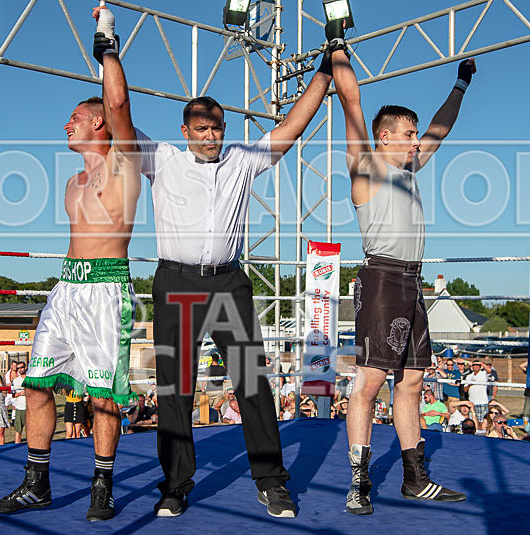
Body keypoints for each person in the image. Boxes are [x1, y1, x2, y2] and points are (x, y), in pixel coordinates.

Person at [134, 10, 336, 521]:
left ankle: (272, 482)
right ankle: (174, 486)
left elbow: (291, 127)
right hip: (175, 280)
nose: (210, 136)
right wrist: (108, 47)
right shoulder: (160, 157)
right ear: (185, 130)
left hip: (228, 281)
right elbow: (117, 113)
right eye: (201, 128)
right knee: (175, 389)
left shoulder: (242, 159)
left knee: (251, 383)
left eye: (216, 128)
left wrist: (326, 69)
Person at [0, 8, 142, 522]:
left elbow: (118, 102)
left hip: (106, 291)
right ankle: (37, 484)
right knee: (35, 384)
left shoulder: (124, 163)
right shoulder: (73, 183)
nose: (66, 124)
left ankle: (102, 486)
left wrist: (107, 43)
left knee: (103, 397)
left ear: (97, 122)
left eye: (74, 116)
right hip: (67, 289)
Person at [329, 19, 472, 514]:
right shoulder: (366, 168)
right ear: (385, 137)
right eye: (408, 135)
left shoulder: (409, 168)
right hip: (381, 278)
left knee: (411, 381)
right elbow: (352, 105)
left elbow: (439, 129)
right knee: (369, 383)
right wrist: (338, 47)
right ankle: (358, 482)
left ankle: (415, 479)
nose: (416, 142)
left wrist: (460, 85)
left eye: (415, 135)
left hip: (412, 283)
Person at [464, 361, 489, 428]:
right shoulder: (469, 376)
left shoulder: (483, 374)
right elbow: (465, 389)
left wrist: (482, 363)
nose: (476, 366)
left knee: (482, 422)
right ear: (472, 367)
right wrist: (470, 384)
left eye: (478, 365)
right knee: (473, 422)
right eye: (474, 365)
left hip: (482, 402)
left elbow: (489, 370)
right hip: (472, 402)